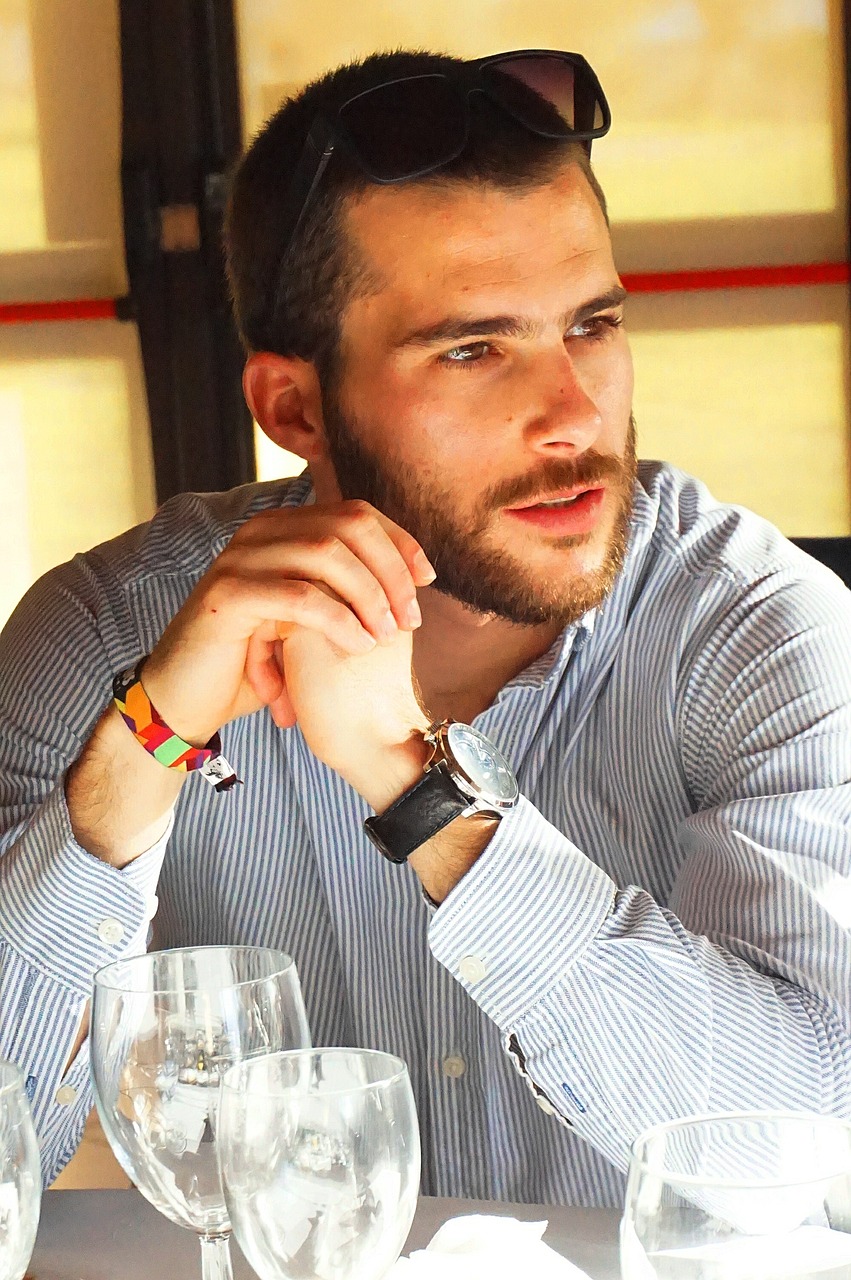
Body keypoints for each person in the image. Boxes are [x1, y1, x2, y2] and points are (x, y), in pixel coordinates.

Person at [1, 47, 850, 1205]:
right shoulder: (105, 630)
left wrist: (420, 790)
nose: (572, 415)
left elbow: (802, 1159)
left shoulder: (761, 627)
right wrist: (145, 745)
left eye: (590, 325)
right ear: (293, 406)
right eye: (472, 349)